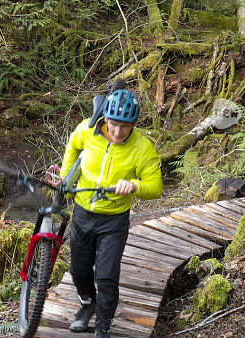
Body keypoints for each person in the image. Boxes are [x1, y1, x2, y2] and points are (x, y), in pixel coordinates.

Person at [59, 89, 163, 337]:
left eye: (124, 127)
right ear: (105, 118)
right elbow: (72, 146)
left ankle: (103, 326)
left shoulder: (142, 147)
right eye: (113, 125)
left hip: (114, 220)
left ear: (134, 125)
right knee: (78, 271)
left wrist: (135, 186)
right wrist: (65, 178)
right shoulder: (87, 129)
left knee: (106, 276)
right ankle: (87, 305)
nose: (117, 132)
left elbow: (156, 187)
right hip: (83, 212)